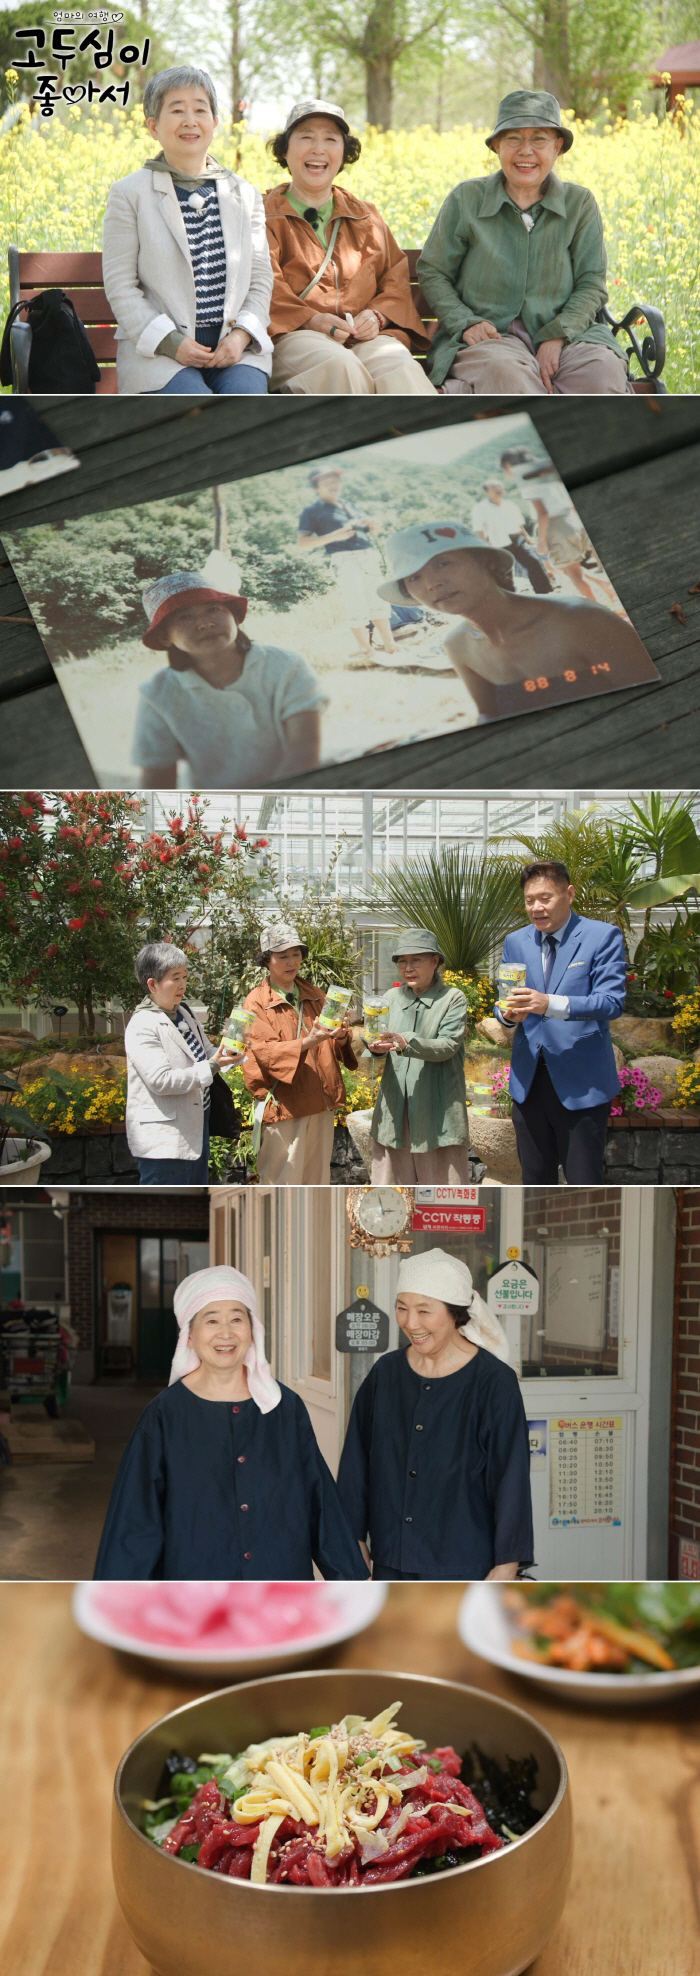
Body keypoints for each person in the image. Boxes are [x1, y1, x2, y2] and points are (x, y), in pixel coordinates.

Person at [94, 1266, 368, 1579]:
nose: (226, 1333)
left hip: (277, 1583)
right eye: (211, 1320)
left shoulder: (283, 1407)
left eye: (236, 1319)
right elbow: (135, 1520)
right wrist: (119, 1598)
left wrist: (351, 1580)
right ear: (190, 1335)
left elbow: (319, 1501)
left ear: (252, 1331)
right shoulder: (164, 1415)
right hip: (197, 1587)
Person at [416, 89, 633, 396]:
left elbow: (591, 282)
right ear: (496, 146)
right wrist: (465, 323)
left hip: (571, 336)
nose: (525, 151)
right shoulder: (466, 199)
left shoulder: (579, 203)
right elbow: (433, 271)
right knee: (507, 377)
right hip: (490, 339)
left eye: (539, 139)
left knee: (601, 375)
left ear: (557, 147)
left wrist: (556, 336)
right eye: (513, 139)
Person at [337, 1248, 533, 1581]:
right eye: (402, 1308)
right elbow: (356, 1463)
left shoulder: (493, 1382)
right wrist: (352, 1538)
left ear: (455, 1313)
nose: (411, 1323)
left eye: (424, 1311)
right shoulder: (385, 1373)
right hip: (391, 1558)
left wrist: (507, 1565)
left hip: (465, 1562)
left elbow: (511, 1477)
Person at [376, 522, 657, 723]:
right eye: (413, 577)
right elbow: (489, 714)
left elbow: (655, 696)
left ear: (485, 562)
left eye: (443, 564)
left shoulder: (581, 620)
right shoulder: (458, 646)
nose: (432, 583)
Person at [102, 65, 273, 395]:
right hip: (159, 356)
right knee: (194, 410)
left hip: (235, 353)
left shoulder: (244, 193)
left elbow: (261, 278)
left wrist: (241, 337)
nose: (190, 120)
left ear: (215, 123)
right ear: (153, 126)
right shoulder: (129, 194)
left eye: (200, 109)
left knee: (246, 407)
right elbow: (121, 286)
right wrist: (171, 342)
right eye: (177, 110)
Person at [263, 98, 436, 395]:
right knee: (339, 365)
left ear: (343, 154)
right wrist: (312, 320)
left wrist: (377, 316)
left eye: (330, 139)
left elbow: (395, 280)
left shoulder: (365, 215)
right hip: (293, 337)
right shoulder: (263, 215)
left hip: (365, 338)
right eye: (306, 137)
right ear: (285, 150)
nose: (318, 149)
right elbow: (265, 286)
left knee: (399, 366)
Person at [495, 859, 627, 1183]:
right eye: (529, 901)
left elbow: (611, 1002)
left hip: (582, 1084)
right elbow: (503, 1000)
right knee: (534, 1180)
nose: (537, 908)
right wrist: (508, 1015)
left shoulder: (602, 936)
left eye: (545, 898)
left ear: (569, 894)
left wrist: (549, 1003)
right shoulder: (516, 941)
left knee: (584, 1181)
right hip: (528, 1085)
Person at [132, 570, 326, 787]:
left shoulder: (286, 665)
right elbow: (157, 777)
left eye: (213, 609)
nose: (205, 623)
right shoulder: (157, 694)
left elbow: (304, 750)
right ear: (165, 637)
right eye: (184, 617)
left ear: (234, 616)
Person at [242, 922, 357, 1184]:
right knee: (283, 1181)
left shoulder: (315, 994)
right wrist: (308, 1041)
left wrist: (340, 1037)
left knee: (316, 1181)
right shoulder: (256, 1002)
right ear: (266, 960)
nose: (292, 962)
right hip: (285, 1107)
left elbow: (336, 1042)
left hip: (320, 1104)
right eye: (282, 956)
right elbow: (265, 1052)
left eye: (296, 954)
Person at [125, 941, 240, 1185]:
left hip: (195, 1128)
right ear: (152, 984)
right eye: (175, 977)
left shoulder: (184, 1012)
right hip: (164, 1140)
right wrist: (213, 1066)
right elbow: (161, 1081)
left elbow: (208, 1053)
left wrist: (231, 1052)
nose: (182, 984)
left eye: (184, 976)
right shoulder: (142, 1025)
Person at [366, 928, 471, 1183]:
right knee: (390, 1193)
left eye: (416, 960)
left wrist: (406, 1042)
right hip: (395, 1110)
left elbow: (447, 1045)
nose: (408, 967)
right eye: (402, 961)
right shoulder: (390, 998)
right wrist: (374, 1048)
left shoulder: (452, 998)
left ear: (435, 962)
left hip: (436, 1111)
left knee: (442, 1196)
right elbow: (375, 1040)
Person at [297, 464, 399, 660]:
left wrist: (374, 525)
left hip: (368, 555)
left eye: (335, 480)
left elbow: (371, 531)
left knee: (377, 600)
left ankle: (390, 645)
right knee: (356, 604)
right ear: (315, 488)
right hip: (344, 560)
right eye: (326, 482)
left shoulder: (349, 504)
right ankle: (367, 651)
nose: (333, 484)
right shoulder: (312, 511)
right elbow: (302, 542)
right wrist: (333, 536)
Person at [500, 448, 618, 606]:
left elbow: (543, 513)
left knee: (574, 575)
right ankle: (604, 585)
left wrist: (541, 542)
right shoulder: (545, 472)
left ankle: (600, 611)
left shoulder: (525, 479)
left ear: (508, 465)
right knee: (568, 569)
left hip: (557, 527)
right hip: (572, 520)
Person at [471, 477, 553, 595]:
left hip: (517, 540)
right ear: (487, 492)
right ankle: (510, 600)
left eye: (499, 486)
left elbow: (519, 524)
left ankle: (543, 593)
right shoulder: (480, 508)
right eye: (494, 487)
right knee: (504, 573)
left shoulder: (510, 505)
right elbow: (479, 530)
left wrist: (527, 537)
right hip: (497, 544)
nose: (498, 489)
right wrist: (485, 546)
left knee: (534, 563)